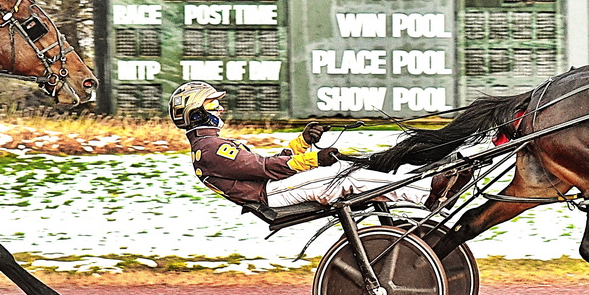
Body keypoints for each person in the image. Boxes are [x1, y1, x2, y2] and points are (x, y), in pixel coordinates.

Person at [168, 81, 454, 210]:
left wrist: (303, 142)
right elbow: (267, 169)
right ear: (197, 114)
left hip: (275, 188)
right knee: (345, 175)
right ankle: (427, 193)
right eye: (213, 105)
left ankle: (419, 189)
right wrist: (316, 160)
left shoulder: (210, 147)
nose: (220, 109)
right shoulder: (210, 149)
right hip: (273, 194)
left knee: (346, 171)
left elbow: (273, 164)